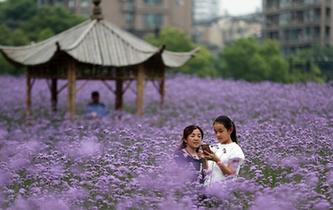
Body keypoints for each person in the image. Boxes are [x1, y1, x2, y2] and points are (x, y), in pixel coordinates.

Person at [203, 115, 245, 186]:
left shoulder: (235, 150)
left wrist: (217, 160)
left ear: (230, 130)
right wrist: (203, 158)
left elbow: (230, 174)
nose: (218, 135)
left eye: (221, 131)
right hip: (206, 191)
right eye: (216, 132)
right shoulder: (214, 147)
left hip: (222, 193)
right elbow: (207, 171)